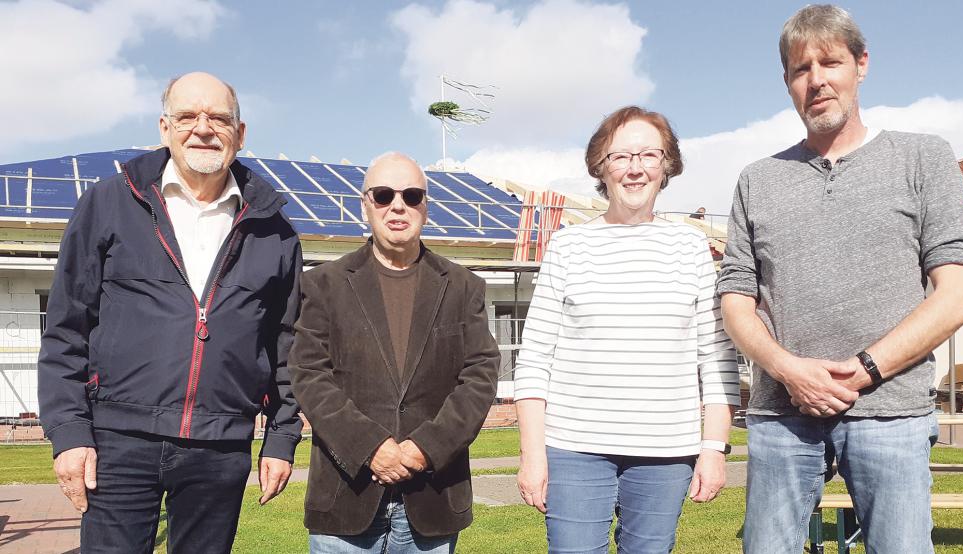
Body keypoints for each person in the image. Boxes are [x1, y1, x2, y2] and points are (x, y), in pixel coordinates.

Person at [717, 5, 963, 552]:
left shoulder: (923, 158)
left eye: (830, 62)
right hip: (781, 415)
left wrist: (865, 369)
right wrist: (791, 371)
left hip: (892, 411)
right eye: (799, 68)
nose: (816, 79)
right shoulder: (757, 180)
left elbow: (961, 291)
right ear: (787, 82)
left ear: (861, 64)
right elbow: (736, 303)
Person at [37, 72, 303, 553]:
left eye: (219, 118)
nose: (203, 128)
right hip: (117, 441)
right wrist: (70, 432)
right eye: (187, 117)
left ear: (240, 134)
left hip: (220, 445)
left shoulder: (275, 230)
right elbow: (66, 329)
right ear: (164, 128)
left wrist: (282, 438)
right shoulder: (109, 203)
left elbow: (286, 345)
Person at [514, 106, 740, 553]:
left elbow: (716, 358)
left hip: (665, 453)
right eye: (620, 157)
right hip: (574, 448)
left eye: (648, 155)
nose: (635, 168)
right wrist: (532, 453)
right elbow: (535, 357)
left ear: (666, 164)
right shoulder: (569, 244)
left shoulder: (691, 246)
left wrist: (713, 448)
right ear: (600, 166)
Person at [289, 152, 500, 553]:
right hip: (345, 500)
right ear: (365, 204)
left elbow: (480, 376)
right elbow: (309, 374)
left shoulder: (463, 287)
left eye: (412, 195)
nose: (398, 205)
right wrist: (370, 447)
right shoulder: (323, 285)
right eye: (383, 195)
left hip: (432, 498)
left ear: (426, 206)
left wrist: (426, 448)